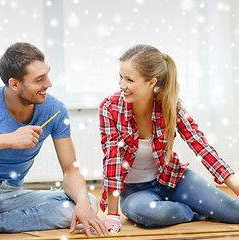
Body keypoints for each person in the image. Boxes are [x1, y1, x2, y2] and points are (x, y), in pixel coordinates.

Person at [0, 42, 108, 240]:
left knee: (88, 203)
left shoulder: (55, 109)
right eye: (39, 80)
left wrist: (82, 203)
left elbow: (70, 170)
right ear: (14, 84)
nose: (48, 84)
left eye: (47, 75)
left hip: (12, 195)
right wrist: (10, 139)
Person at [99, 44, 239, 232]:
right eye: (120, 77)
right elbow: (112, 159)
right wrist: (112, 215)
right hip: (136, 191)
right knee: (145, 213)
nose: (122, 85)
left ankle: (192, 205)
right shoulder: (110, 108)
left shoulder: (170, 106)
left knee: (235, 214)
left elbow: (199, 144)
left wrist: (234, 184)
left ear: (151, 82)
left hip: (173, 178)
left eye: (129, 80)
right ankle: (194, 212)